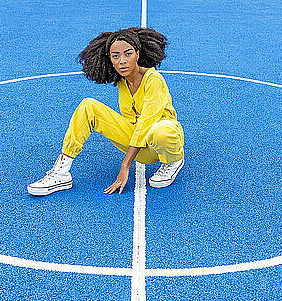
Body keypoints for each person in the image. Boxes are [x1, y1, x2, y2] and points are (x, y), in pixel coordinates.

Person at [27, 27, 185, 196]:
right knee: (88, 105)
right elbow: (134, 126)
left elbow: (146, 124)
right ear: (110, 59)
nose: (122, 61)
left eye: (128, 54)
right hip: (138, 144)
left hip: (161, 141)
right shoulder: (122, 81)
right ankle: (61, 172)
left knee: (160, 131)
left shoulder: (153, 80)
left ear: (138, 54)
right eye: (115, 56)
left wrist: (125, 166)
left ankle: (173, 161)